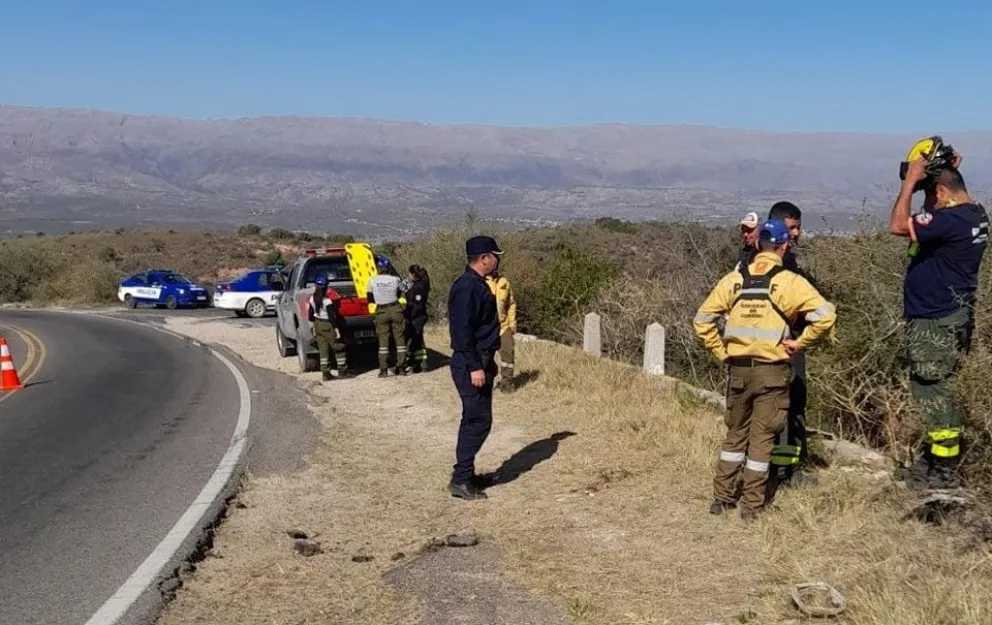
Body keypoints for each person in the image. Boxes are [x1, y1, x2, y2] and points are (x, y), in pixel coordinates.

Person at [694, 219, 837, 523]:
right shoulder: (789, 282)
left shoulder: (733, 280)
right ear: (784, 246)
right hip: (772, 371)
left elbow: (702, 321)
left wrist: (723, 353)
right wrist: (799, 343)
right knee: (761, 440)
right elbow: (826, 316)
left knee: (735, 435)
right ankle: (751, 506)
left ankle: (722, 498)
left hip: (738, 371)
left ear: (759, 244)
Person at [888, 136, 988, 490]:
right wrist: (943, 176)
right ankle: (934, 462)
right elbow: (940, 205)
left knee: (933, 394)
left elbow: (898, 225)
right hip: (951, 317)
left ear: (942, 193)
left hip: (933, 322)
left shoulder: (948, 221)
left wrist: (910, 183)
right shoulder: (973, 214)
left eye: (934, 192)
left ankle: (943, 472)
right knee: (940, 390)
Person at [737, 201, 817, 489]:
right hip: (782, 346)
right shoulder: (768, 267)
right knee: (784, 407)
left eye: (799, 227)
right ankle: (783, 473)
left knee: (779, 406)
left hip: (769, 347)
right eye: (793, 227)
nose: (798, 233)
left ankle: (777, 467)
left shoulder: (755, 263)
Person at [447, 235, 503, 500]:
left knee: (477, 419)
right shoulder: (467, 287)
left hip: (480, 360)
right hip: (470, 363)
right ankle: (461, 479)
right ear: (484, 258)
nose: (498, 260)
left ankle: (467, 475)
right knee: (477, 421)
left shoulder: (477, 284)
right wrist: (474, 367)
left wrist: (488, 361)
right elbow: (462, 332)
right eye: (495, 255)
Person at [367, 257, 408, 378]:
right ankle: (401, 368)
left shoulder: (372, 281)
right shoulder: (395, 279)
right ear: (388, 268)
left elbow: (369, 298)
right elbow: (404, 290)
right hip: (396, 309)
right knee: (400, 340)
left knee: (383, 342)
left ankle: (383, 370)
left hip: (381, 311)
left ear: (378, 268)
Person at [307, 274, 351, 381]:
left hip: (318, 325)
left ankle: (326, 374)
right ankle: (343, 371)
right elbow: (332, 316)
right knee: (339, 347)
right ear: (326, 286)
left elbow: (310, 315)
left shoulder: (312, 298)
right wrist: (336, 329)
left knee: (323, 349)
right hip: (328, 325)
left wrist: (313, 327)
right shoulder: (327, 301)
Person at [486, 267, 518, 392]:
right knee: (486, 356)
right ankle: (486, 381)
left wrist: (512, 322)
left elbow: (511, 303)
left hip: (503, 326)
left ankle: (507, 383)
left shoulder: (504, 281)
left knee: (508, 353)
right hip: (487, 327)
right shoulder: (480, 282)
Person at [404, 264, 431, 373]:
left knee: (415, 341)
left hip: (416, 317)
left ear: (413, 274)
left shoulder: (418, 287)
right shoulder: (421, 284)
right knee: (418, 340)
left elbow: (417, 305)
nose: (408, 276)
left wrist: (408, 314)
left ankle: (417, 365)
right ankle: (421, 365)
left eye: (409, 274)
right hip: (418, 316)